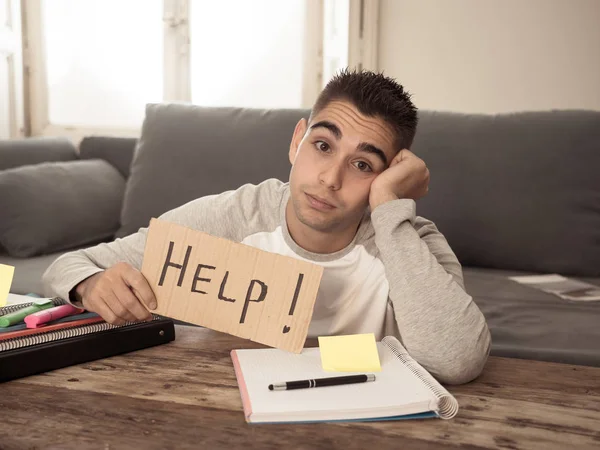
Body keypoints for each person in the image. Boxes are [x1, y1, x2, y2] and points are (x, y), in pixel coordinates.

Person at [43, 69, 490, 384]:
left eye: (362, 164)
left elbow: (457, 360)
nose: (329, 179)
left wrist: (391, 207)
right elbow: (70, 265)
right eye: (322, 145)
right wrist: (89, 283)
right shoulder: (236, 215)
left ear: (390, 175)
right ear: (297, 141)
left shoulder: (407, 237)